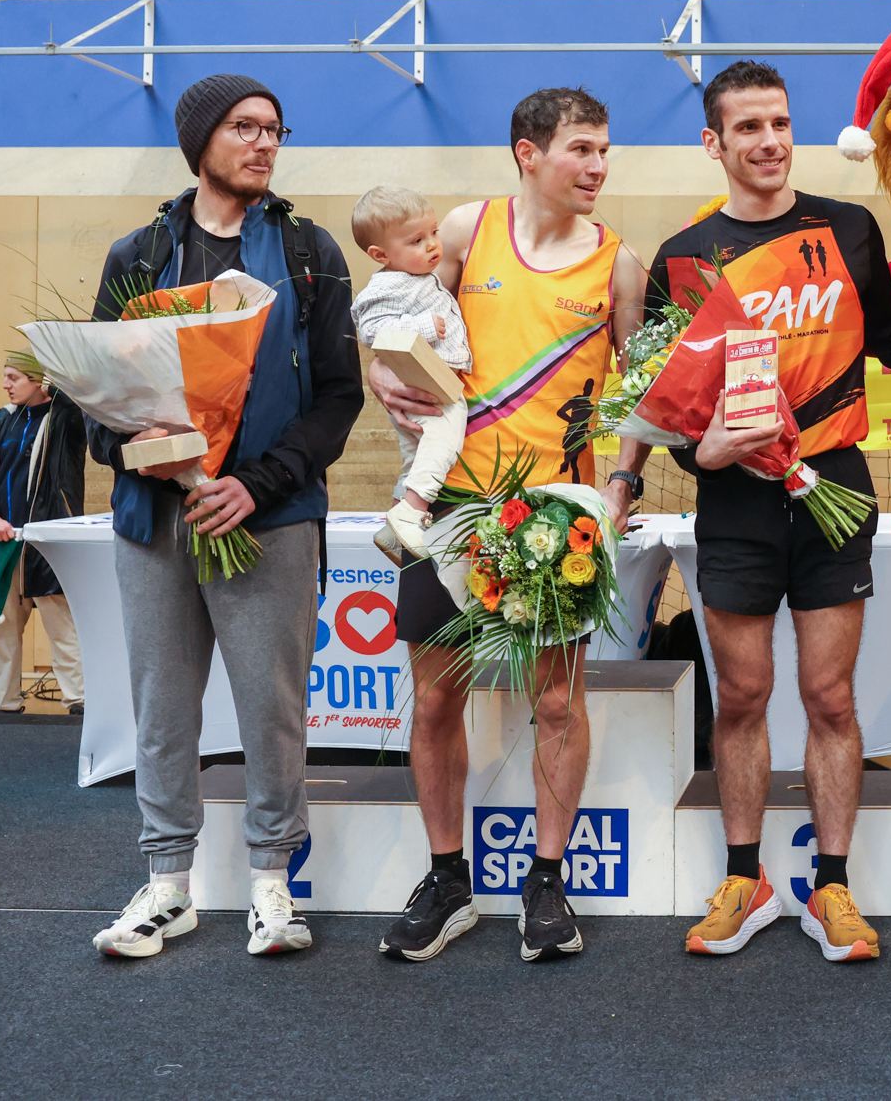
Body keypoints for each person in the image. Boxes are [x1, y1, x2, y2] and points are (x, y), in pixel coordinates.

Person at [369, 88, 649, 964]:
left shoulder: (620, 265)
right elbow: (400, 329)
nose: (598, 165)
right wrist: (381, 376)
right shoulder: (463, 231)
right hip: (453, 506)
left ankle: (547, 881)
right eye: (581, 149)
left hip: (554, 517)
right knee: (435, 698)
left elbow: (642, 390)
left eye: (604, 149)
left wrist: (622, 484)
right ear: (529, 153)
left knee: (558, 702)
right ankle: (447, 879)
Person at [87, 74, 363, 958]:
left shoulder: (310, 252)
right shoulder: (139, 255)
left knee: (271, 708)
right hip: (156, 520)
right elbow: (96, 403)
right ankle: (168, 885)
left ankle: (272, 884)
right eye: (245, 127)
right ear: (200, 140)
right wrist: (143, 448)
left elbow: (339, 398)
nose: (264, 143)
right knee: (161, 708)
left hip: (267, 516)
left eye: (275, 129)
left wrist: (258, 484)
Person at [653, 60, 891, 964]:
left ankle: (832, 885)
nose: (770, 142)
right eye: (749, 128)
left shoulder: (849, 229)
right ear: (713, 142)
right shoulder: (683, 258)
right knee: (744, 695)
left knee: (829, 697)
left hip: (834, 487)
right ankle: (745, 879)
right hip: (735, 503)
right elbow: (667, 406)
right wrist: (702, 453)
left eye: (781, 124)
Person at [349, 186, 473, 559]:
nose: (432, 245)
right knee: (445, 437)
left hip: (425, 381)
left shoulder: (415, 275)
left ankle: (393, 530)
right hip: (423, 385)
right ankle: (413, 511)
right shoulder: (388, 284)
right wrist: (422, 326)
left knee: (417, 457)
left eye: (434, 232)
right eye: (416, 240)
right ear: (380, 255)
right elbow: (371, 330)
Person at [0, 356, 87, 714]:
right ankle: (4, 702)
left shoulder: (67, 420)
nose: (6, 385)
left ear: (38, 380)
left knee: (63, 626)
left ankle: (79, 701)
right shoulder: (0, 421)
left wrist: (54, 383)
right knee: (2, 628)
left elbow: (83, 399)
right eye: (5, 377)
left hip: (48, 542)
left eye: (14, 377)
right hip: (6, 541)